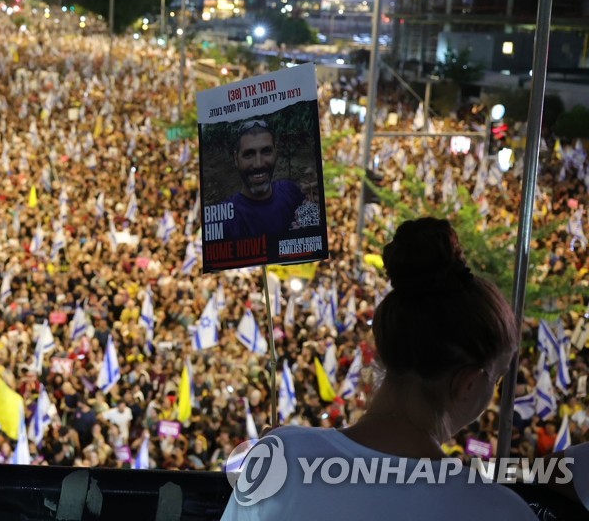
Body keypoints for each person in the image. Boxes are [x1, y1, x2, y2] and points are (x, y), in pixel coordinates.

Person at [222, 218, 536, 519]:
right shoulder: (497, 511)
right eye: (495, 378)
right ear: (468, 383)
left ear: (383, 349)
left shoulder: (280, 459)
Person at [220, 118, 305, 239]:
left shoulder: (290, 190)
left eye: (266, 151)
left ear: (276, 153)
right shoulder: (226, 219)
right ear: (236, 159)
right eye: (249, 154)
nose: (258, 164)